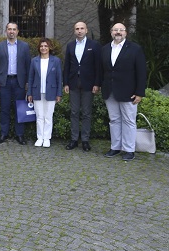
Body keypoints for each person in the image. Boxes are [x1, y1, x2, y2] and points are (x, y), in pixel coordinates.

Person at [101, 23, 147, 161]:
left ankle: (129, 149)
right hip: (110, 91)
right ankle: (115, 147)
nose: (118, 32)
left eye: (121, 30)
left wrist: (139, 92)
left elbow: (141, 72)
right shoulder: (105, 49)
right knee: (114, 120)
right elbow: (102, 70)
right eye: (115, 30)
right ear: (111, 32)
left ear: (126, 33)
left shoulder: (135, 49)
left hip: (129, 92)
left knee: (129, 121)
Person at [63, 21, 102, 151]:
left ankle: (85, 140)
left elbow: (98, 66)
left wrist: (97, 83)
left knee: (86, 113)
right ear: (74, 31)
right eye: (77, 29)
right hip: (73, 82)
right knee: (74, 112)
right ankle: (74, 139)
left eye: (82, 28)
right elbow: (67, 65)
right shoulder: (70, 45)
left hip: (88, 83)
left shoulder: (94, 45)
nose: (79, 31)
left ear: (86, 30)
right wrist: (66, 83)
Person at [0, 22, 31, 145]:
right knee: (5, 108)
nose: (11, 31)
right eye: (9, 29)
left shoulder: (24, 46)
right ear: (6, 31)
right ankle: (4, 133)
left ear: (17, 31)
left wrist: (28, 82)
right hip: (5, 82)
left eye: (14, 29)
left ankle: (20, 135)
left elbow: (28, 65)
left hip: (19, 82)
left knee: (20, 108)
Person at [27, 38, 63, 147]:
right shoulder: (34, 61)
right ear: (39, 48)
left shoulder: (55, 61)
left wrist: (59, 93)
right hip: (37, 92)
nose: (43, 48)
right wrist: (29, 93)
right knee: (39, 116)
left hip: (51, 92)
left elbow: (59, 78)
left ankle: (47, 138)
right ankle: (40, 138)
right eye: (41, 46)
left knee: (48, 116)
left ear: (50, 47)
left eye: (46, 46)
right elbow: (30, 78)